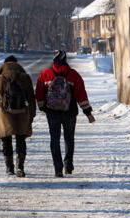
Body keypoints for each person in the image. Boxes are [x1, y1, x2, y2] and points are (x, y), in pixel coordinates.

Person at [36, 49, 96, 177]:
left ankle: (57, 169)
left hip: (52, 113)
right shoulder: (73, 75)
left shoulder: (45, 74)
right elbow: (81, 95)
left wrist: (43, 108)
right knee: (69, 139)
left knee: (54, 139)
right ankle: (68, 165)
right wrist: (88, 113)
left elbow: (39, 94)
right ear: (65, 59)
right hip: (70, 112)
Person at [0, 55, 36, 177]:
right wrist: (31, 116)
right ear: (16, 64)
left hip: (4, 115)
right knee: (20, 139)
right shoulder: (25, 78)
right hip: (22, 113)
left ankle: (9, 168)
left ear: (4, 65)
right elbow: (31, 99)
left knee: (6, 140)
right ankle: (20, 166)